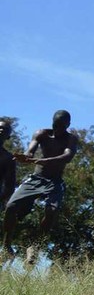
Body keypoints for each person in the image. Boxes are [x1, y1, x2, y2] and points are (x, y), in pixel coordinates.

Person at [2, 110, 78, 263]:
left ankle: (35, 246)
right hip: (35, 179)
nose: (58, 129)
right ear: (52, 122)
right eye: (55, 125)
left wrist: (45, 160)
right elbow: (31, 150)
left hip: (54, 182)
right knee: (11, 206)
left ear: (68, 125)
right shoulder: (42, 134)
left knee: (52, 210)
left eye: (62, 126)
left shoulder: (71, 139)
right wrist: (27, 156)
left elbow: (67, 156)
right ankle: (7, 245)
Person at [0, 120, 16, 211]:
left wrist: (1, 199)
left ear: (8, 136)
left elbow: (10, 187)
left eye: (4, 129)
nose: (1, 130)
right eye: (0, 128)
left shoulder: (8, 158)